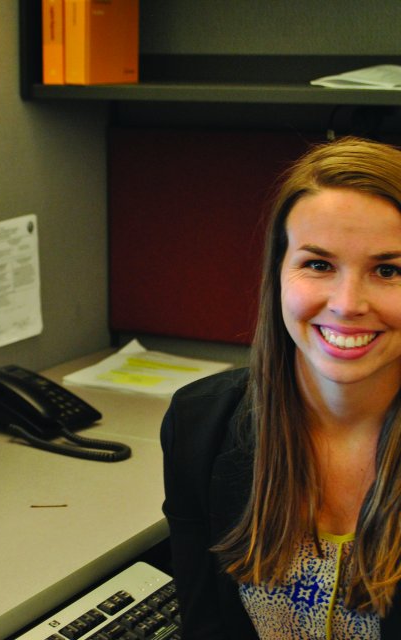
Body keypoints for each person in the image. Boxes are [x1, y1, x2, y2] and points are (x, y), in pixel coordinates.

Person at [161, 136, 401, 638]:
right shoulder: (200, 425)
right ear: (278, 272)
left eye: (388, 270)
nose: (347, 303)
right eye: (319, 264)